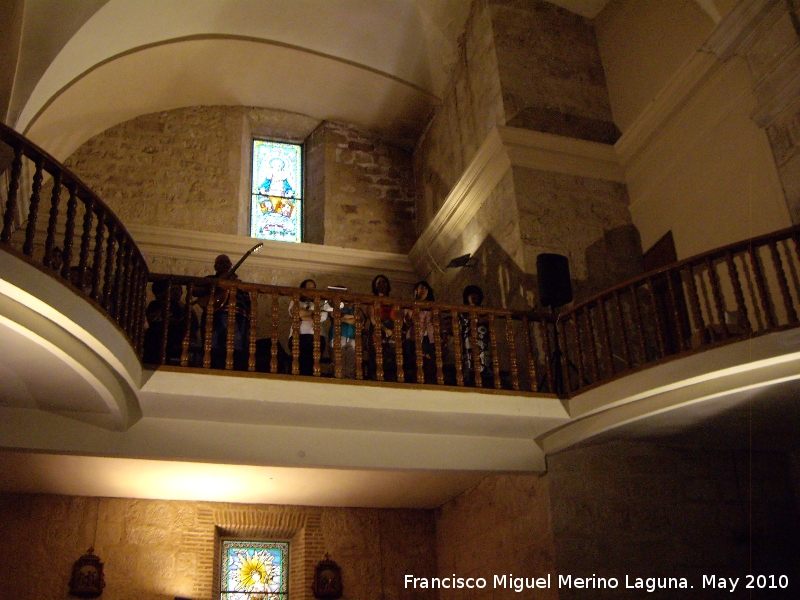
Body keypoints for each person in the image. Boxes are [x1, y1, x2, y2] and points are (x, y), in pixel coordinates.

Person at [195, 254, 251, 370]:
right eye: (221, 263)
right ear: (215, 267)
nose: (224, 265)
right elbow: (195, 291)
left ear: (231, 265)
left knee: (237, 348)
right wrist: (219, 282)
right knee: (214, 347)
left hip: (239, 320)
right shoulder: (209, 279)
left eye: (227, 263)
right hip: (216, 318)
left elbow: (248, 304)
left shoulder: (239, 283)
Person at [142, 280, 197, 364]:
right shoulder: (155, 304)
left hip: (174, 335)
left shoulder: (180, 306)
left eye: (177, 289)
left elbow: (185, 323)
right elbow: (150, 319)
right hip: (158, 335)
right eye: (172, 289)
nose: (175, 292)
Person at [288, 279, 332, 376]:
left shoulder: (320, 303)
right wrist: (313, 314)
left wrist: (303, 317)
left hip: (317, 336)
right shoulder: (296, 301)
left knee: (313, 364)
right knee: (300, 363)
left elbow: (322, 317)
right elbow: (296, 313)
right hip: (299, 335)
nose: (311, 289)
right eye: (308, 286)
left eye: (313, 287)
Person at [403, 280, 436, 383]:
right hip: (413, 337)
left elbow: (434, 322)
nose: (423, 290)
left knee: (428, 364)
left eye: (425, 288)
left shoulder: (431, 307)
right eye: (421, 288)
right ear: (416, 290)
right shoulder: (410, 305)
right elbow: (407, 321)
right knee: (414, 363)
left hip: (428, 338)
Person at [460, 284, 493, 387]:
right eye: (471, 295)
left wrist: (478, 319)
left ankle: (485, 378)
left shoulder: (484, 311)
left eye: (476, 296)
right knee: (470, 360)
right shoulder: (463, 311)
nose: (474, 298)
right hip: (468, 341)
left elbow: (488, 322)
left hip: (482, 340)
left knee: (483, 359)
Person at [366, 274, 397, 381]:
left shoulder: (393, 300)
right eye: (378, 282)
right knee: (377, 357)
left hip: (392, 329)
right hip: (378, 330)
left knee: (391, 357)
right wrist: (384, 329)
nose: (381, 284)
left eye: (384, 282)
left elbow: (398, 316)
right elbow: (373, 318)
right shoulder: (372, 300)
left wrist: (394, 329)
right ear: (375, 286)